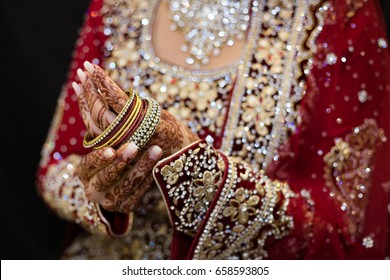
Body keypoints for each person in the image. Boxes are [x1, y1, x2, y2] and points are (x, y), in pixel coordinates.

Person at [37, 0, 390, 259]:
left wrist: (194, 166)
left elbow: (347, 236)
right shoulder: (116, 7)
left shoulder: (338, 15)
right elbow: (55, 165)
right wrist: (98, 193)